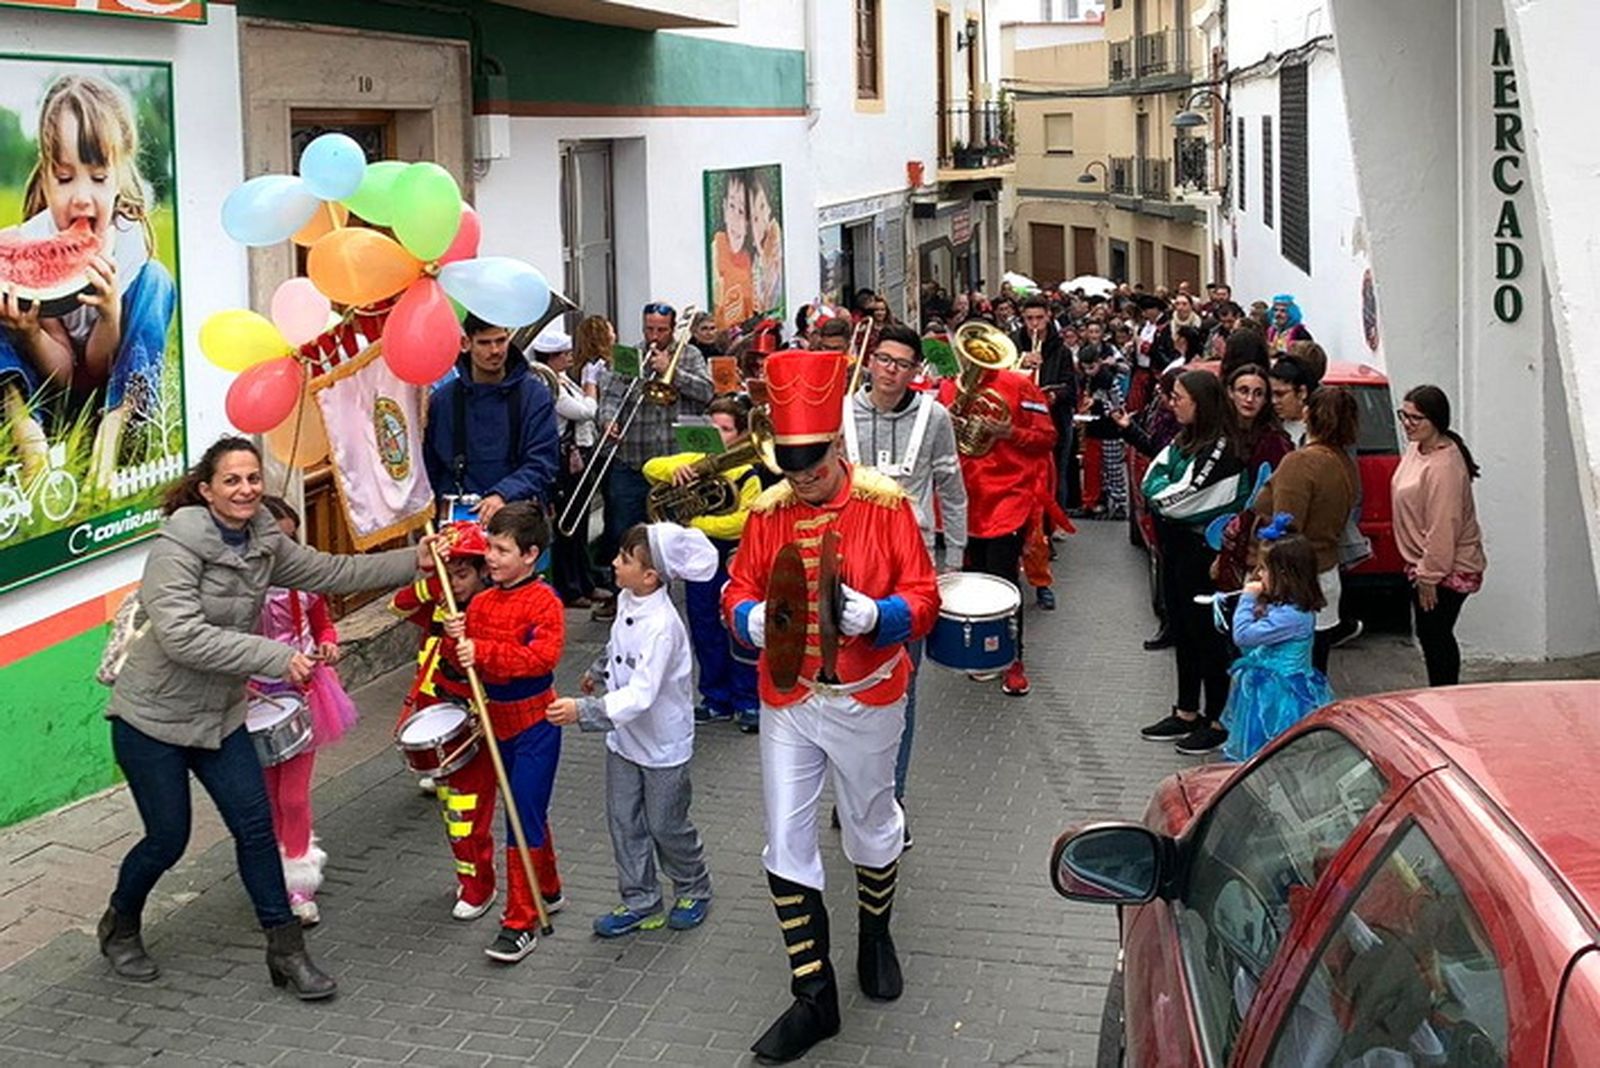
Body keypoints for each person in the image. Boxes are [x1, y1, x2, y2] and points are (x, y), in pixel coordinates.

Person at [101, 437, 434, 998]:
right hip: (152, 719)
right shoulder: (176, 547)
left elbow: (330, 571)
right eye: (231, 480)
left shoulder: (264, 540)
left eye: (253, 478)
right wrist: (277, 656)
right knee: (167, 838)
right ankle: (120, 924)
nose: (245, 489)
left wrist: (415, 561)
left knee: (256, 830)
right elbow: (183, 637)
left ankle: (287, 954)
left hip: (223, 715)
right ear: (206, 490)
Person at [721, 348, 939, 1064]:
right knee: (784, 837)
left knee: (873, 825)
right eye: (791, 467)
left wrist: (879, 616)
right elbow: (737, 587)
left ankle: (874, 934)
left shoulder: (886, 505)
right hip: (788, 700)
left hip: (867, 697)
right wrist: (748, 616)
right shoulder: (768, 511)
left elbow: (925, 598)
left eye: (813, 466)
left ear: (838, 449)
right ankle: (813, 996)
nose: (803, 481)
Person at [0, 75, 177, 491]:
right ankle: (24, 429)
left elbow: (97, 370)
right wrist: (28, 335)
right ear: (45, 177)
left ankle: (119, 428)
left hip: (110, 390)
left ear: (120, 177)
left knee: (158, 281)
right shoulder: (34, 237)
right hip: (50, 391)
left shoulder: (129, 244)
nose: (81, 197)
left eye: (97, 178)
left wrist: (110, 315)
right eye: (65, 178)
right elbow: (66, 376)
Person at [547, 523, 718, 937]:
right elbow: (618, 645)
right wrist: (599, 669)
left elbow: (642, 694)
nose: (614, 563)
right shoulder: (628, 599)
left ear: (650, 576)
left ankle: (694, 883)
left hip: (661, 744)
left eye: (624, 559)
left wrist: (584, 710)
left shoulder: (662, 625)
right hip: (625, 740)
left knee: (665, 823)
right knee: (624, 820)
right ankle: (640, 898)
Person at [844, 322, 966, 841]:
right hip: (845, 564)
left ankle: (890, 801)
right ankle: (854, 793)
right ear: (870, 361)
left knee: (900, 691)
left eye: (903, 364)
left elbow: (952, 487)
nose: (892, 371)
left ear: (918, 371)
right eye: (884, 360)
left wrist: (955, 556)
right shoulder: (840, 410)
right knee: (841, 687)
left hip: (907, 568)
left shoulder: (935, 417)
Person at [439, 502, 568, 962]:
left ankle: (520, 920)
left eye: (500, 549)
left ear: (530, 554)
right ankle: (548, 887)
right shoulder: (481, 602)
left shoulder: (545, 602)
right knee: (527, 812)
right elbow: (460, 666)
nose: (489, 558)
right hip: (495, 725)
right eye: (490, 547)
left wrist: (481, 650)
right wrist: (454, 639)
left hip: (537, 725)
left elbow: (541, 659)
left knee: (519, 818)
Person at [387, 522, 508, 919]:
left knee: (466, 814)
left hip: (472, 727)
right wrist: (432, 583)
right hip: (435, 719)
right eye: (448, 573)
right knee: (452, 812)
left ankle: (479, 887)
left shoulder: (492, 608)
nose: (454, 583)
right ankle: (469, 876)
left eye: (461, 574)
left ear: (481, 572)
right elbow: (399, 605)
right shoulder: (438, 601)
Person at [1129, 371, 1252, 755]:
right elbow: (1153, 476)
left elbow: (1178, 497)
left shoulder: (1223, 447)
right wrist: (1162, 489)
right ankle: (1185, 711)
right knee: (1182, 628)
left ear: (1202, 402)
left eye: (1180, 397)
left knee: (1208, 638)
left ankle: (1216, 719)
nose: (1172, 402)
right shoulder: (1185, 440)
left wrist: (1162, 491)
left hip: (1204, 554)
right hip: (1177, 549)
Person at [254, 497, 361, 928]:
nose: (287, 548)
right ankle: (269, 875)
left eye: (291, 538)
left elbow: (323, 626)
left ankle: (298, 882)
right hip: (253, 699)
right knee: (264, 801)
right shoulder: (238, 588)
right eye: (278, 539)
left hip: (305, 694)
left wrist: (329, 643)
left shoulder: (304, 582)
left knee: (292, 797)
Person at [642, 395, 764, 731]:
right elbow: (650, 468)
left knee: (737, 628)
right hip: (697, 562)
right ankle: (715, 698)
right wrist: (677, 469)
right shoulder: (693, 459)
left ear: (739, 436)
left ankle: (748, 700)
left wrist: (693, 524)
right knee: (704, 626)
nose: (717, 434)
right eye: (711, 427)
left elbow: (743, 521)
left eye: (725, 429)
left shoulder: (747, 471)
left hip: (730, 558)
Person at [942, 348, 1058, 696]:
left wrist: (1010, 432)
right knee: (971, 578)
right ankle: (979, 649)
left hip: (1008, 497)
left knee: (1003, 580)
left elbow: (1047, 438)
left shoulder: (1020, 386)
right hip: (963, 499)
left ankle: (1012, 658)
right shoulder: (948, 389)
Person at [592, 302, 715, 619]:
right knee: (624, 531)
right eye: (650, 329)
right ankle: (625, 598)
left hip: (675, 470)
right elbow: (609, 398)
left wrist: (671, 373)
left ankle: (673, 604)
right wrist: (607, 421)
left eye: (661, 330)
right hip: (632, 463)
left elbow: (708, 393)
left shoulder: (689, 355)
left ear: (672, 329)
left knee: (672, 536)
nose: (655, 337)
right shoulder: (629, 356)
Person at [1252, 387, 1361, 673]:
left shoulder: (1300, 462)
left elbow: (1285, 528)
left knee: (1289, 676)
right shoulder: (1344, 463)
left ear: (1307, 413)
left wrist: (1259, 585)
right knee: (1314, 670)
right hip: (1326, 574)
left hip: (1294, 584)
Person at [422, 314, 560, 525]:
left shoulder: (535, 395)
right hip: (459, 522)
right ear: (466, 343)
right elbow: (431, 467)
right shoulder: (443, 401)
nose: (495, 350)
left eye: (501, 340)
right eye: (485, 343)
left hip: (520, 520)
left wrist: (503, 494)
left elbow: (543, 461)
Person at [1392, 386, 1486, 687]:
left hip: (1443, 567)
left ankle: (1445, 695)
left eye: (1416, 418)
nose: (1408, 424)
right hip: (1422, 562)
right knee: (1431, 634)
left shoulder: (1445, 466)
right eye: (1404, 416)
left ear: (1435, 420)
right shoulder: (1415, 448)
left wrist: (1429, 575)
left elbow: (1444, 525)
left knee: (1435, 635)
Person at [1218, 528, 1334, 761]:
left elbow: (1242, 635)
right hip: (1268, 690)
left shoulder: (1292, 616)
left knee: (1269, 751)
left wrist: (1247, 598)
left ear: (1285, 574)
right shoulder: (1288, 607)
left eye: (1264, 569)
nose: (1259, 575)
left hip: (1280, 698)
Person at [531, 324, 599, 606]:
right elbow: (584, 411)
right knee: (567, 524)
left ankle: (584, 581)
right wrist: (590, 385)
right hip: (562, 460)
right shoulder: (547, 383)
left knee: (580, 523)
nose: (570, 358)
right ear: (553, 357)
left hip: (574, 455)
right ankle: (570, 587)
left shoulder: (560, 378)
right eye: (565, 354)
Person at [711, 172, 756, 329]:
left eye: (742, 212)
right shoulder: (718, 247)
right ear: (724, 209)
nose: (735, 220)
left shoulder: (750, 260)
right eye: (731, 206)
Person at [1268, 356, 1316, 448]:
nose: (1273, 401)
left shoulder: (1321, 432)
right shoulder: (1270, 430)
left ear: (1302, 392)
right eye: (1271, 394)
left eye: (1280, 394)